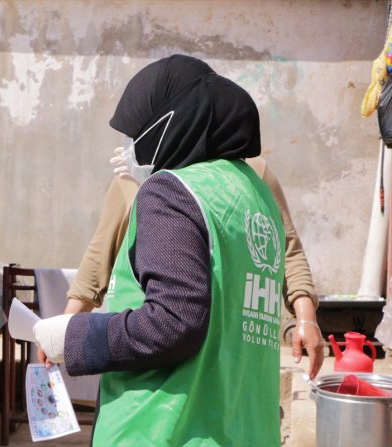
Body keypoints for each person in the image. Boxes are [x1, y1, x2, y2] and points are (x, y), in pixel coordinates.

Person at [34, 55, 288, 446]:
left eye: (136, 133)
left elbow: (173, 322)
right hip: (245, 429)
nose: (129, 146)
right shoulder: (255, 196)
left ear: (169, 123)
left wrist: (74, 335)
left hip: (164, 429)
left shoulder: (172, 191)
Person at [61, 156, 324, 379]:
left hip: (233, 345)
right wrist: (62, 330)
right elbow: (97, 260)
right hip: (152, 347)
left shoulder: (253, 173)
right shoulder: (131, 177)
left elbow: (286, 245)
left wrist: (306, 317)